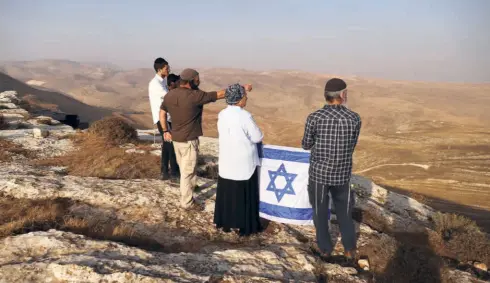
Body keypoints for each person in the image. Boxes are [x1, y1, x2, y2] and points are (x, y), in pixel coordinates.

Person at [159, 68, 252, 211]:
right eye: (197, 79)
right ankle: (187, 202)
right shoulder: (195, 96)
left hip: (176, 139)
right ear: (190, 82)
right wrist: (241, 88)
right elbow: (221, 94)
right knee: (187, 172)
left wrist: (165, 130)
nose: (199, 81)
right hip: (189, 141)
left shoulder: (170, 95)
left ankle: (190, 189)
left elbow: (162, 112)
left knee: (186, 169)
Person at [301, 78, 361, 260]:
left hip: (319, 174)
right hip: (342, 175)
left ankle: (325, 248)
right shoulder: (354, 118)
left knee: (319, 210)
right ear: (342, 95)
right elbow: (352, 145)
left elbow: (306, 144)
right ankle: (350, 248)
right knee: (344, 211)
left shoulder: (314, 117)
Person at [214, 84, 263, 236]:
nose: (246, 98)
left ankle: (225, 223)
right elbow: (257, 137)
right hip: (244, 161)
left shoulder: (222, 114)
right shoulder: (245, 116)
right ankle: (245, 226)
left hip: (227, 158)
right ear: (239, 99)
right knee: (245, 194)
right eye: (244, 96)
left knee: (228, 192)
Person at [148, 58, 179, 181]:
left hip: (167, 117)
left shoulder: (162, 82)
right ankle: (174, 173)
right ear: (160, 69)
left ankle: (164, 172)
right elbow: (169, 97)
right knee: (171, 146)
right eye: (166, 68)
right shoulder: (155, 84)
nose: (169, 69)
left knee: (166, 146)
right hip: (162, 119)